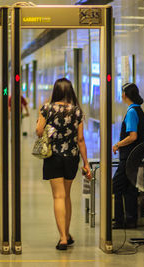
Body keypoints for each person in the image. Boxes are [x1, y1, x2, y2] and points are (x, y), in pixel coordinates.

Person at [36, 78, 92, 250]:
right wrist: (86, 163)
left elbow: (39, 132)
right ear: (70, 92)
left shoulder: (47, 108)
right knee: (66, 196)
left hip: (53, 156)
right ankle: (67, 234)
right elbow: (81, 139)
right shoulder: (76, 111)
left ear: (56, 91)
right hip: (71, 157)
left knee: (58, 197)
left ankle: (62, 238)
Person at [112, 83, 144, 229]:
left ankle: (119, 220)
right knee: (130, 187)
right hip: (135, 156)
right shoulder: (139, 110)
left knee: (116, 186)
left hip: (129, 156)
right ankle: (131, 220)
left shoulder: (132, 112)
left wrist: (118, 144)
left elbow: (132, 136)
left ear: (124, 95)